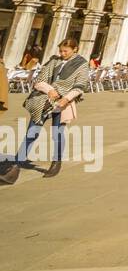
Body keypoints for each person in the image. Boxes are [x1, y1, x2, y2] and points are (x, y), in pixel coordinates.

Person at [0, 38, 88, 184]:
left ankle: (56, 162)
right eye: (60, 50)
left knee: (57, 134)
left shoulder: (82, 64)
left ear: (75, 49)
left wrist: (66, 98)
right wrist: (50, 89)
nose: (62, 53)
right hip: (44, 101)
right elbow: (40, 79)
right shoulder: (54, 60)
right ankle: (14, 169)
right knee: (31, 134)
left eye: (65, 51)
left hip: (63, 104)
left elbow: (80, 86)